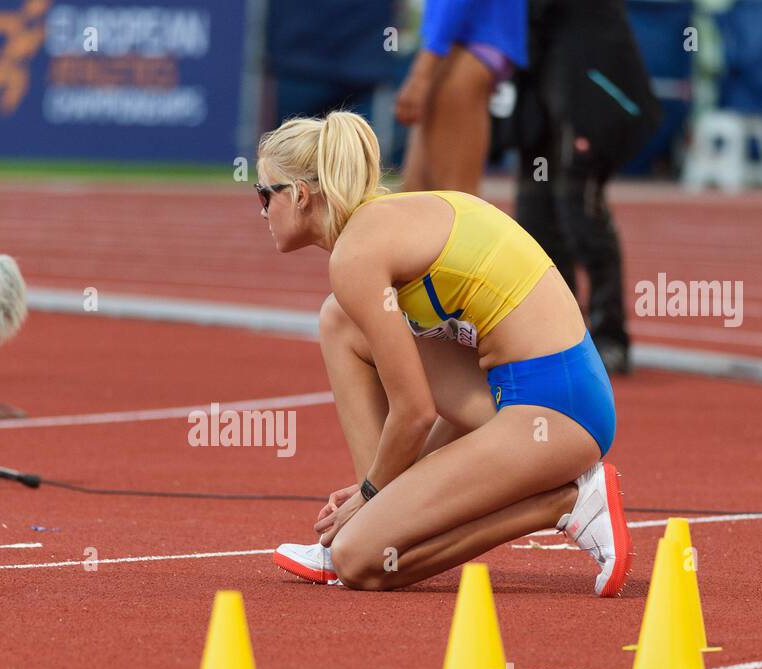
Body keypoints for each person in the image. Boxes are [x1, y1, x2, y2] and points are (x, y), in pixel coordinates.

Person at [259, 112, 631, 594]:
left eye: (264, 195)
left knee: (360, 562)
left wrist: (371, 493)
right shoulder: (390, 219)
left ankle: (564, 502)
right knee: (340, 319)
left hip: (557, 410)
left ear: (301, 195)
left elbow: (414, 411)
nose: (262, 211)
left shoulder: (356, 255)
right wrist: (382, 490)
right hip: (533, 386)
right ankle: (384, 522)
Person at [513, 0, 660, 375]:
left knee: (581, 214)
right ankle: (559, 336)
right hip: (540, 93)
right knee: (535, 220)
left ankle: (610, 337)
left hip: (587, 92)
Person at [394, 0, 526, 194]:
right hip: (459, 43)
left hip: (465, 44)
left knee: (454, 198)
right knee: (418, 193)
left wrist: (420, 73)